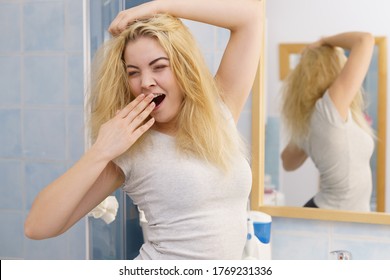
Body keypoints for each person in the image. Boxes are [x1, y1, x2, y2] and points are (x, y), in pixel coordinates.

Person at [24, 0, 262, 260]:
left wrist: (158, 7)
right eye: (133, 72)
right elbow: (37, 226)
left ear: (184, 66)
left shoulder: (219, 113)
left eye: (159, 66)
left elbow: (251, 17)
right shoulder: (131, 149)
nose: (146, 82)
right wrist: (101, 151)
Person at [280, 32, 375, 212]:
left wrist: (307, 139)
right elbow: (365, 40)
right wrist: (324, 41)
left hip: (328, 211)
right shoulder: (328, 109)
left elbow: (287, 162)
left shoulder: (315, 118)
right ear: (334, 69)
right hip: (333, 215)